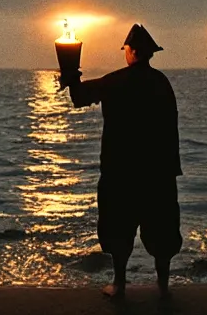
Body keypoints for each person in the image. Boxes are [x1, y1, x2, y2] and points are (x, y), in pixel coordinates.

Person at [61, 24, 182, 298]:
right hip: (158, 173)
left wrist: (70, 75)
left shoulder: (116, 81)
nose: (125, 53)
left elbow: (79, 98)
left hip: (121, 172)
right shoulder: (162, 83)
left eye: (126, 49)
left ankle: (120, 283)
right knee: (161, 231)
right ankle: (163, 286)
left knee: (119, 229)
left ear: (134, 51)